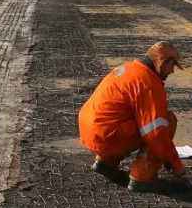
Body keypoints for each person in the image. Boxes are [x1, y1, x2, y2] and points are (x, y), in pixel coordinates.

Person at [78, 41, 186, 193]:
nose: (172, 71)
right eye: (172, 65)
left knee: (124, 117)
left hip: (91, 130)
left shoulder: (128, 68)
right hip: (107, 136)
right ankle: (143, 178)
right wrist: (175, 165)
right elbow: (155, 133)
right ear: (162, 61)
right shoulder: (148, 82)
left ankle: (106, 163)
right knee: (166, 121)